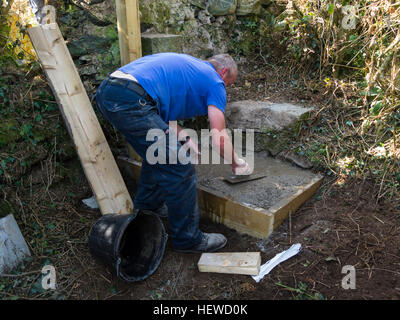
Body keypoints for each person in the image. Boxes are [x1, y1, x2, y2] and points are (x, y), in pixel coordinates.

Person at [95, 52, 251, 253]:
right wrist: (236, 162)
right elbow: (219, 136)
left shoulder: (189, 69)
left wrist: (185, 139)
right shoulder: (214, 81)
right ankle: (188, 239)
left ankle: (148, 207)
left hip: (111, 92)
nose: (225, 90)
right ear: (223, 72)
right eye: (228, 84)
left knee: (160, 155)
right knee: (179, 165)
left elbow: (158, 112)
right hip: (131, 100)